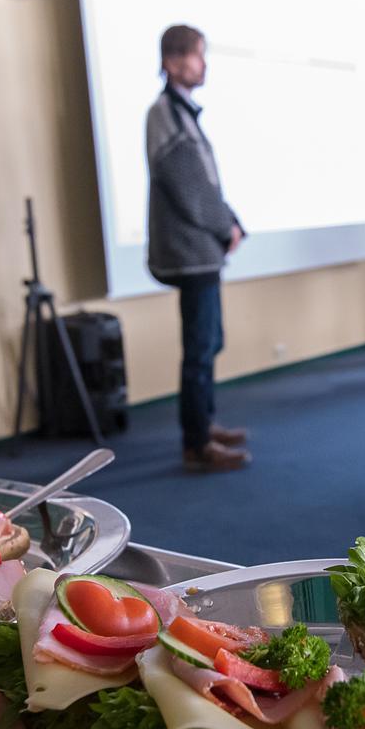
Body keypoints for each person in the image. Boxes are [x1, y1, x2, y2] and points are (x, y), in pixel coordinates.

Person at [146, 24, 250, 472]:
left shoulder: (184, 113)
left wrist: (233, 221)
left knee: (210, 343)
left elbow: (207, 185)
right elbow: (191, 190)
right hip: (190, 253)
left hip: (203, 251)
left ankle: (205, 425)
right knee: (199, 349)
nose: (202, 64)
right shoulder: (164, 113)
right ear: (171, 62)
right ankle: (196, 444)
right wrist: (225, 226)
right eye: (195, 56)